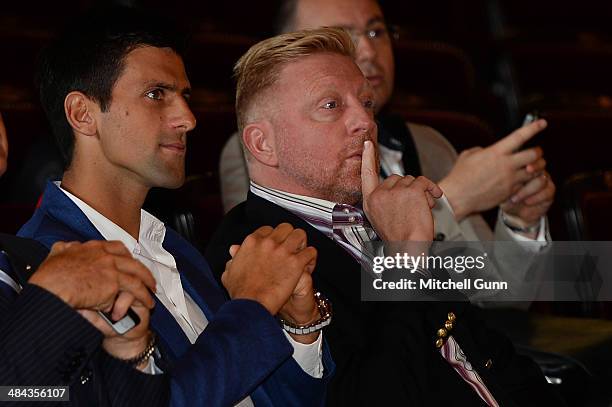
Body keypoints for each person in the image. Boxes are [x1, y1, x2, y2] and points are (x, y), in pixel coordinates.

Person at [205, 28, 565, 406]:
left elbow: (484, 348)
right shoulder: (253, 253)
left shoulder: (374, 217)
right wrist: (404, 256)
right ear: (264, 144)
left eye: (367, 103)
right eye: (331, 106)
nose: (365, 122)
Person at [17, 8, 332, 407]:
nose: (188, 118)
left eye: (184, 96)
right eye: (156, 95)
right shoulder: (44, 266)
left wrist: (300, 327)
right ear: (83, 114)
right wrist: (252, 304)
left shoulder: (176, 249)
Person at [219, 0, 556, 303]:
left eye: (376, 31)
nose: (366, 49)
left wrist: (519, 223)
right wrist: (449, 201)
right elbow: (288, 280)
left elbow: (500, 295)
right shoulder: (254, 150)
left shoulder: (428, 144)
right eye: (340, 34)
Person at [1, 112, 168, 405]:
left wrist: (131, 354)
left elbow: (63, 398)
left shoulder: (26, 256)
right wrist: (51, 300)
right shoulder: (48, 262)